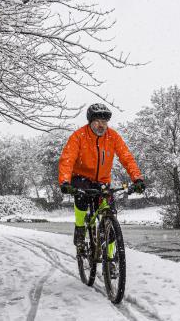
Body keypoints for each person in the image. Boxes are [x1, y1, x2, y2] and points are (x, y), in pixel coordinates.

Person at [58, 103, 145, 253]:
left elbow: (127, 158)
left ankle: (110, 259)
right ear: (90, 122)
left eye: (104, 122)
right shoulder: (79, 136)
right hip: (81, 177)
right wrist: (65, 181)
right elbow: (67, 159)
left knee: (109, 215)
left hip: (102, 181)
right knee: (81, 197)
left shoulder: (113, 136)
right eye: (97, 121)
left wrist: (137, 178)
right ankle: (80, 227)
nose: (101, 125)